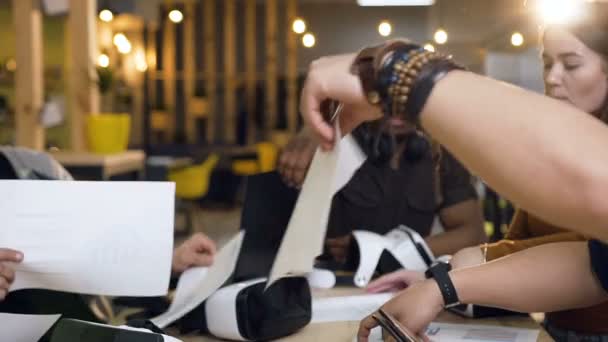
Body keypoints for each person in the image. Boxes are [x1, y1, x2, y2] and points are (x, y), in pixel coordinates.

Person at [296, 2, 608, 339]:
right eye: (546, 63)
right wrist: (443, 283)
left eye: (572, 64)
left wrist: (400, 72)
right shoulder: (550, 156)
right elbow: (588, 262)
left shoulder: (583, 167)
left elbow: (592, 230)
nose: (551, 77)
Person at [278, 122, 485, 265]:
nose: (397, 106)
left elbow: (473, 235)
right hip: (333, 284)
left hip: (405, 283)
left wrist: (388, 249)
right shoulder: (333, 142)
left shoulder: (439, 152)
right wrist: (309, 134)